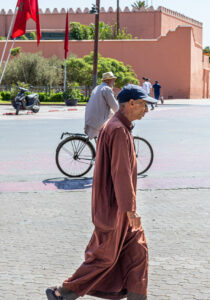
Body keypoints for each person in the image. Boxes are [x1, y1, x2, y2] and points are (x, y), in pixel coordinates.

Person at [46, 84, 158, 300]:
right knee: (103, 258)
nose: (147, 110)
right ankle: (62, 293)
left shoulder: (120, 127)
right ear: (131, 103)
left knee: (138, 252)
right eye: (144, 105)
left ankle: (137, 297)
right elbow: (121, 173)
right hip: (113, 210)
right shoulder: (117, 130)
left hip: (120, 210)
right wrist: (130, 210)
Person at [84, 71, 119, 139]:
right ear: (109, 81)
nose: (114, 83)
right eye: (113, 80)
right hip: (98, 121)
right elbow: (115, 107)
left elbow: (107, 109)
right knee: (114, 131)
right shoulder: (107, 89)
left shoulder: (97, 87)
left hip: (91, 119)